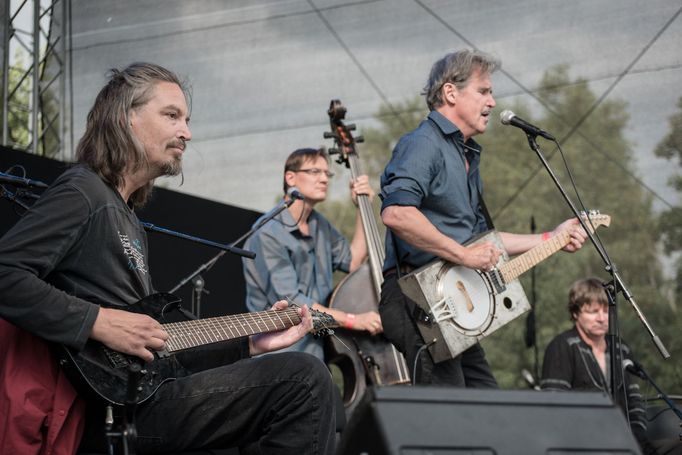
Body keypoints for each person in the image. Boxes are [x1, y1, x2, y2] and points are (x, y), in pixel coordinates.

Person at [0, 63, 336, 454]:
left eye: (187, 120)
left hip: (136, 398)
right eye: (172, 116)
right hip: (104, 411)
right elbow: (5, 272)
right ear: (126, 118)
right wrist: (98, 321)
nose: (187, 133)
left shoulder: (126, 218)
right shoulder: (83, 193)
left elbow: (159, 347)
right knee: (303, 380)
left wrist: (250, 345)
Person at [378, 49, 587, 386]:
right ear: (450, 92)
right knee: (452, 417)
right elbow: (397, 213)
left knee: (486, 401)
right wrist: (464, 255)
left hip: (450, 299)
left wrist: (553, 238)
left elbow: (484, 243)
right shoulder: (423, 144)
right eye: (483, 91)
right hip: (416, 301)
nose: (492, 102)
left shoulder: (467, 155)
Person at [242, 147, 383, 361]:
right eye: (315, 172)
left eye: (327, 173)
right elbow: (293, 302)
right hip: (279, 356)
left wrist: (362, 208)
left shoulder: (320, 225)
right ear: (290, 177)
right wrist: (353, 320)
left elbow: (353, 262)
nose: (324, 179)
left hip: (316, 350)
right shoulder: (267, 232)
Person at [541, 277, 659, 454]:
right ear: (575, 313)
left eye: (606, 311)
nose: (602, 318)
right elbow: (554, 404)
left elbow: (634, 402)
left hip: (626, 443)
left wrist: (636, 440)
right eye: (593, 311)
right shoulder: (562, 346)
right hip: (582, 445)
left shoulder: (621, 348)